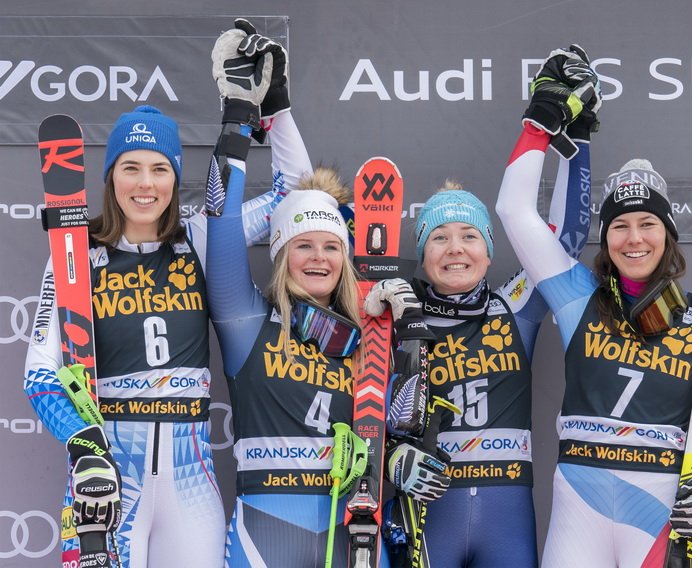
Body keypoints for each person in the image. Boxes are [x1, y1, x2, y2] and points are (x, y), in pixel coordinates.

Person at [23, 32, 283, 568]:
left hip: (192, 486)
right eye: (131, 167)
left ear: (175, 176)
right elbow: (39, 375)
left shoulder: (201, 238)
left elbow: (290, 192)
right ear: (110, 176)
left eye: (160, 168)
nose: (145, 184)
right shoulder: (74, 254)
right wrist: (84, 445)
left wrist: (270, 108)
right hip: (105, 480)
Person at [495, 49, 692, 567]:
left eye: (647, 224)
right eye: (619, 225)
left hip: (660, 517)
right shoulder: (576, 297)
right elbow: (512, 209)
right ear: (606, 236)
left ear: (668, 234)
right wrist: (541, 120)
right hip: (578, 515)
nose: (634, 239)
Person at [205, 20, 444, 568]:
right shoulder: (247, 322)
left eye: (332, 246)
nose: (319, 258)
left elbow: (394, 427)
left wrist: (402, 456)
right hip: (264, 539)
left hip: (353, 536)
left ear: (347, 257)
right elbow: (220, 220)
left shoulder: (367, 336)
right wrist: (239, 117)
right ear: (280, 255)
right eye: (303, 246)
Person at [373, 47, 598, 568]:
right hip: (430, 513)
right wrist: (390, 458)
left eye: (469, 236)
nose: (455, 249)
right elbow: (358, 412)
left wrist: (579, 141)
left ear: (490, 252)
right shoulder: (395, 312)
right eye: (439, 238)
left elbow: (565, 239)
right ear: (422, 253)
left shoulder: (515, 305)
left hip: (506, 518)